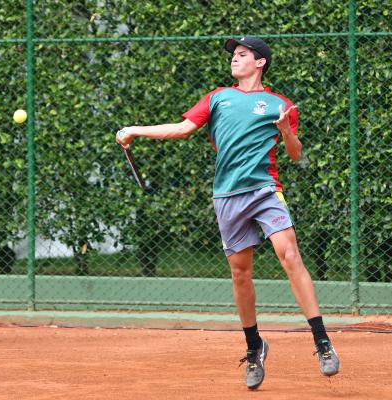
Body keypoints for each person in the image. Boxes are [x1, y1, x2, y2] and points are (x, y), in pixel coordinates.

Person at [116, 36, 339, 390]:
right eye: (234, 55)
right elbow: (182, 129)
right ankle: (254, 348)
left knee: (290, 255)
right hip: (227, 196)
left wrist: (284, 130)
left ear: (260, 62)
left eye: (242, 54)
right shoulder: (218, 97)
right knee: (240, 274)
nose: (235, 59)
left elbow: (295, 154)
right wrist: (134, 131)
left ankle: (322, 342)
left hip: (265, 190)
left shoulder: (279, 105)